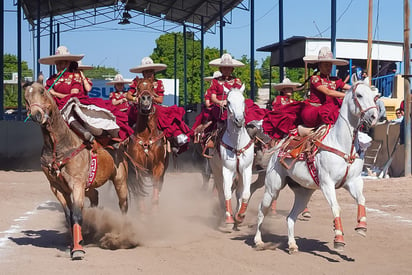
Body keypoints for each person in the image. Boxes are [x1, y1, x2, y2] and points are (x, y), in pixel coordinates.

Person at [39, 46, 133, 145]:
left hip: (73, 104)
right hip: (56, 107)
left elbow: (73, 95)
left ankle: (91, 135)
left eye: (64, 62)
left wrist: (54, 93)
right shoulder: (51, 80)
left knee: (76, 114)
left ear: (68, 63)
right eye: (58, 63)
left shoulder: (75, 77)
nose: (61, 65)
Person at [126, 57, 191, 153]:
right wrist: (136, 99)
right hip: (139, 106)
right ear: (142, 73)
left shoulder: (158, 83)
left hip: (154, 106)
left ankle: (174, 138)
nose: (149, 74)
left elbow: (160, 100)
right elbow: (128, 95)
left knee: (165, 116)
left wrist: (150, 98)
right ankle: (125, 139)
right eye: (146, 71)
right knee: (127, 117)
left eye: (151, 71)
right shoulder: (137, 82)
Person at [300, 46, 351, 133]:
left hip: (330, 109)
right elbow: (328, 92)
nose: (329, 67)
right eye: (326, 65)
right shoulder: (315, 78)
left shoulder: (334, 79)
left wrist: (361, 89)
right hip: (315, 110)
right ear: (319, 66)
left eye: (330, 65)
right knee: (329, 111)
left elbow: (349, 87)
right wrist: (348, 95)